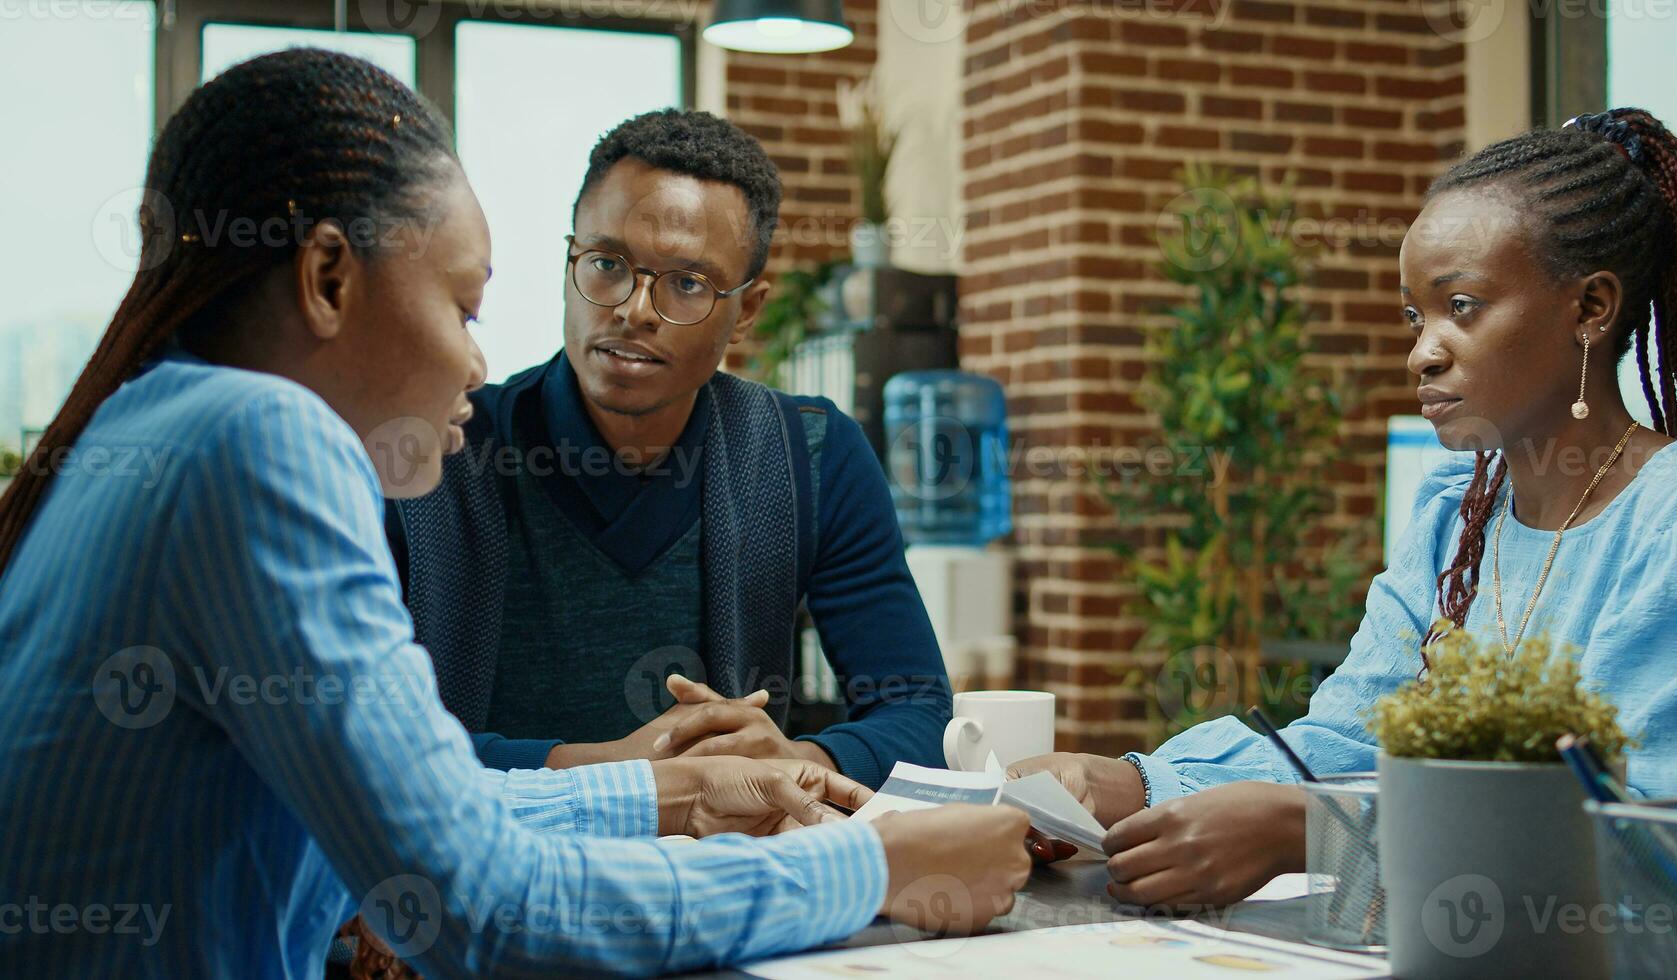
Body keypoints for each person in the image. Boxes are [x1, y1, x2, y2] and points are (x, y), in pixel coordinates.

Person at [0, 50, 1031, 976]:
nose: (477, 359)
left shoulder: (157, 420)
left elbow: (422, 809)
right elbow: (478, 900)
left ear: (741, 306)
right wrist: (869, 866)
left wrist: (682, 792)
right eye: (463, 307)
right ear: (325, 277)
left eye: (683, 282)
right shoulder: (267, 442)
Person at [1011, 107, 1677, 910]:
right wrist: (1129, 781)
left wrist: (1313, 828)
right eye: (1414, 315)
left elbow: (1632, 835)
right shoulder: (1454, 514)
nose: (1422, 351)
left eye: (1461, 306)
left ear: (1590, 309)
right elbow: (1350, 733)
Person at [383, 108, 951, 788]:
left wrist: (796, 763)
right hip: (477, 876)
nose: (633, 309)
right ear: (569, 259)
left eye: (687, 283)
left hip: (722, 876)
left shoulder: (812, 455)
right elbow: (364, 743)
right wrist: (616, 774)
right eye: (606, 264)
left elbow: (917, 714)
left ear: (749, 310)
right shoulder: (437, 452)